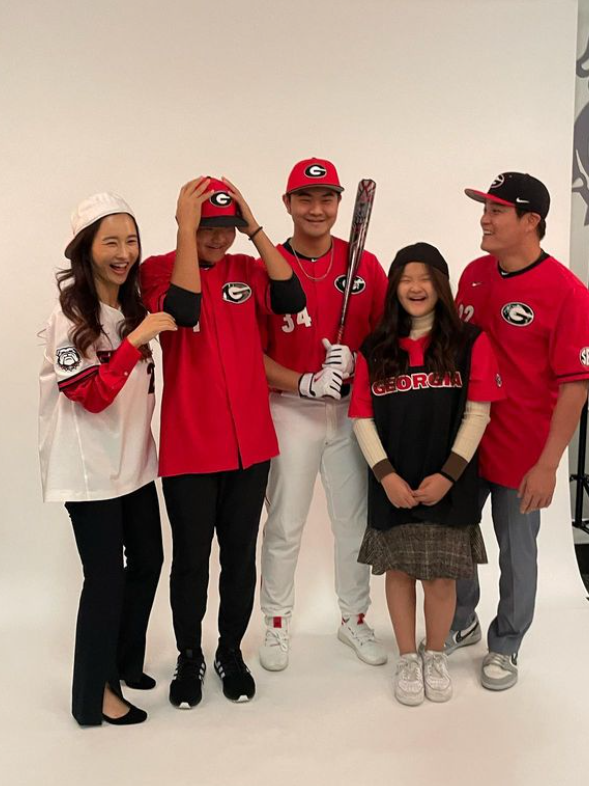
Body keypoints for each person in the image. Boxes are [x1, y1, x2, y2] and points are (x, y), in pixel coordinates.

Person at [140, 176, 305, 707]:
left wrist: (253, 227)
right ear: (188, 225)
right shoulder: (158, 269)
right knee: (191, 561)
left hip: (249, 446)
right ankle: (189, 656)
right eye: (207, 228)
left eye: (225, 228)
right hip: (190, 447)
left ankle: (229, 652)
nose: (217, 239)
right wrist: (185, 232)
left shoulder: (246, 269)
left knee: (239, 559)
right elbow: (184, 312)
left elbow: (292, 297)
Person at [448, 172, 589, 691]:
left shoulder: (568, 294)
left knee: (517, 552)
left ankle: (506, 643)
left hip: (523, 451)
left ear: (530, 220)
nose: (484, 219)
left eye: (496, 210)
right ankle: (461, 619)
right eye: (484, 208)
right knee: (457, 538)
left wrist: (548, 465)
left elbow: (575, 388)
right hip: (466, 444)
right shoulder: (473, 274)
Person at [39, 192, 175, 726]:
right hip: (89, 469)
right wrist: (134, 341)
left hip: (134, 463)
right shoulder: (67, 318)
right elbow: (88, 395)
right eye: (110, 242)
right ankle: (93, 695)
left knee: (148, 561)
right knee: (105, 579)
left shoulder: (133, 306)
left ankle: (122, 664)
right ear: (85, 249)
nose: (124, 253)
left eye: (131, 240)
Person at [349, 242, 503, 704]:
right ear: (394, 287)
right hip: (394, 483)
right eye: (405, 279)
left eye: (425, 278)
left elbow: (478, 414)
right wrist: (386, 476)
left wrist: (449, 476)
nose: (415, 288)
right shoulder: (374, 348)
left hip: (447, 483)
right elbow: (361, 418)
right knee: (399, 572)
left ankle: (434, 654)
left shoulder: (470, 342)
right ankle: (406, 657)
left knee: (440, 576)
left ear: (441, 286)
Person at [258, 158, 388, 671]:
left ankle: (354, 618)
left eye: (327, 198)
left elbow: (389, 337)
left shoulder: (365, 264)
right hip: (290, 409)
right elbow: (250, 354)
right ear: (287, 203)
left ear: (339, 203)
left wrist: (356, 360)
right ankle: (275, 623)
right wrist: (303, 380)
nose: (317, 209)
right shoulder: (267, 267)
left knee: (353, 523)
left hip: (351, 412)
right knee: (285, 523)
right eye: (305, 198)